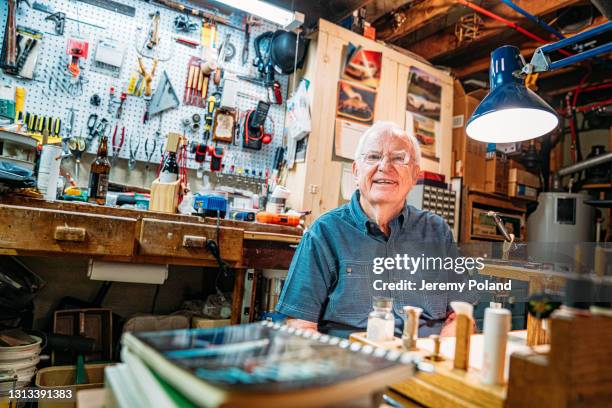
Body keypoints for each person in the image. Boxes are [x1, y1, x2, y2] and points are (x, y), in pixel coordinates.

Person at [276, 121, 477, 338]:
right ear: (356, 171)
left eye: (399, 158)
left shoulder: (437, 232)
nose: (384, 166)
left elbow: (461, 314)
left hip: (426, 362)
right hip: (356, 363)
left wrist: (440, 359)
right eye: (373, 157)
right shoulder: (324, 233)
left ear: (415, 176)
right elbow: (300, 327)